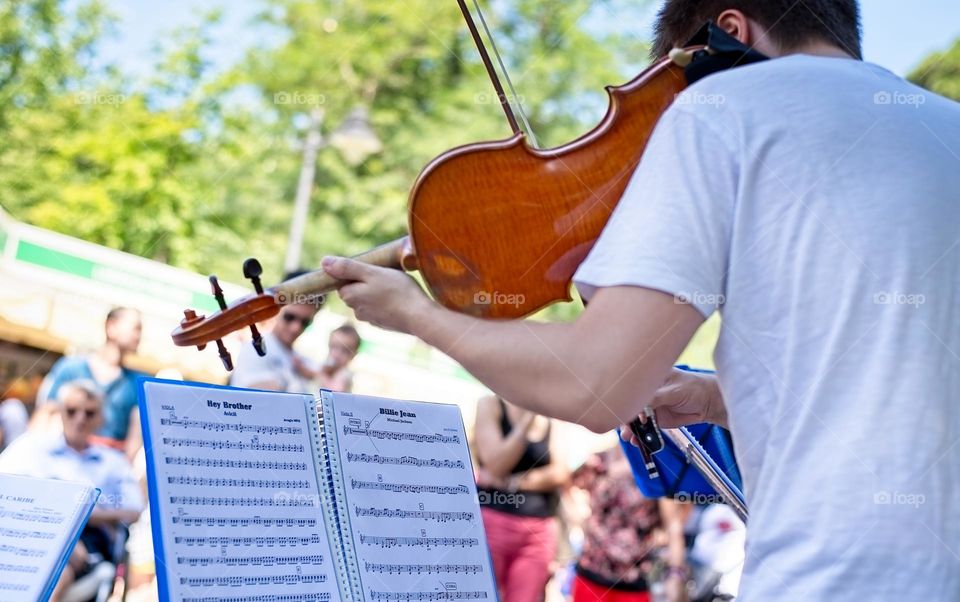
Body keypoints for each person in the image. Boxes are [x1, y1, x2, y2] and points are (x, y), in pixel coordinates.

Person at [320, 1, 960, 599]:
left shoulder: (727, 107)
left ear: (727, 33)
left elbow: (597, 385)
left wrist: (418, 316)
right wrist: (716, 399)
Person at [0, 380, 144, 602]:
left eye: (89, 413)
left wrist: (76, 522)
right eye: (72, 410)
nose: (80, 418)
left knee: (59, 567)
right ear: (60, 412)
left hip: (90, 542)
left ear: (100, 419)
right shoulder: (33, 448)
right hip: (35, 529)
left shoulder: (113, 462)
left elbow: (134, 509)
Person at [473, 396, 569, 602]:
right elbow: (496, 464)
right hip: (491, 525)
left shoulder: (551, 417)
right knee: (480, 593)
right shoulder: (490, 405)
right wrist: (526, 421)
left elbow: (561, 473)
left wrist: (513, 482)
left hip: (538, 531)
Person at [570, 446, 689, 602]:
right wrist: (582, 521)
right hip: (590, 577)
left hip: (632, 584)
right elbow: (565, 481)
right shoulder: (598, 461)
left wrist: (675, 575)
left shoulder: (656, 467)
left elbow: (674, 525)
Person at [38, 307, 145, 456]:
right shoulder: (71, 368)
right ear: (111, 327)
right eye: (136, 328)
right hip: (66, 458)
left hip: (110, 465)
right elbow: (45, 416)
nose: (139, 336)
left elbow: (135, 437)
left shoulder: (136, 383)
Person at [230, 270, 324, 393]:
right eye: (290, 317)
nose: (296, 328)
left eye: (305, 322)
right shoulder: (255, 350)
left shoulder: (304, 361)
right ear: (277, 308)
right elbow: (264, 400)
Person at [294, 322, 362, 392]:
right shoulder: (328, 368)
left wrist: (322, 375)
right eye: (334, 347)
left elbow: (336, 390)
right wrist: (302, 368)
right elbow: (312, 374)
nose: (337, 354)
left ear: (353, 355)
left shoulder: (343, 373)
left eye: (345, 351)